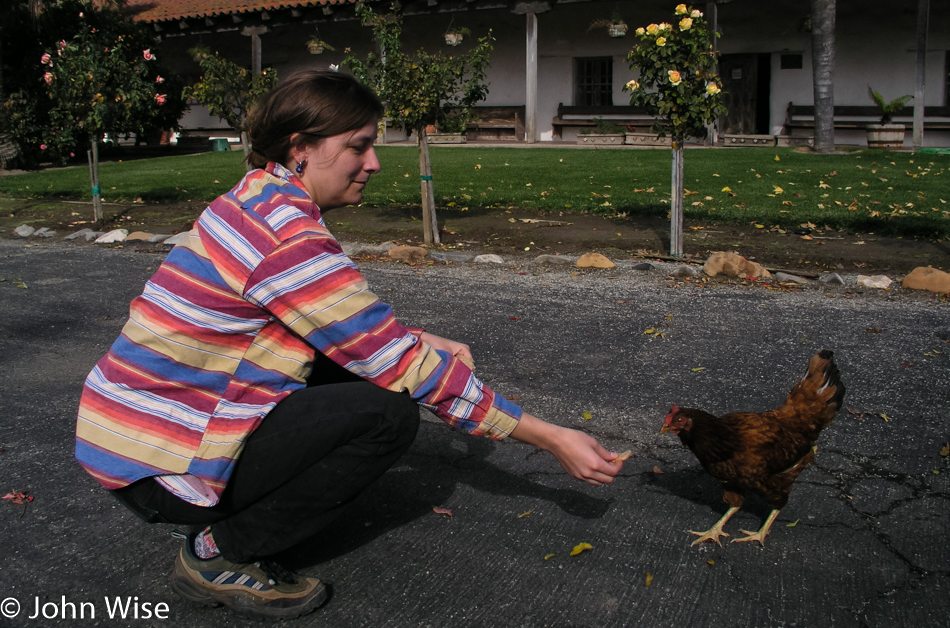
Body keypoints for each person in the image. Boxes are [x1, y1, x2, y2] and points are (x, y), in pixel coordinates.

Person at [74, 69, 624, 621]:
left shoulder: (257, 197)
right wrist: (549, 437)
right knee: (386, 414)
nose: (375, 163)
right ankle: (219, 553)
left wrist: (416, 341)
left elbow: (346, 329)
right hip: (155, 460)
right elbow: (405, 366)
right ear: (301, 149)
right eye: (358, 147)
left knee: (368, 372)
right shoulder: (286, 236)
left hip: (125, 430)